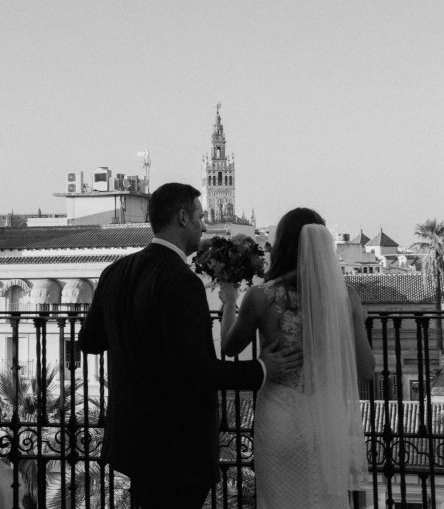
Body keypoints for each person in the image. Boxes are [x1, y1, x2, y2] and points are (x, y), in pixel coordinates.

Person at [78, 183, 302, 509]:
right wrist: (263, 368)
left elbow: (90, 341)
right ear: (182, 218)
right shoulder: (180, 281)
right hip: (175, 446)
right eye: (199, 217)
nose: (203, 226)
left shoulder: (114, 272)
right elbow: (197, 369)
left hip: (130, 437)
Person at [219, 207, 375, 509]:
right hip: (327, 418)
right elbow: (366, 369)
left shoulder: (261, 296)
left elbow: (229, 347)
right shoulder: (346, 298)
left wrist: (228, 303)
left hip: (280, 417)